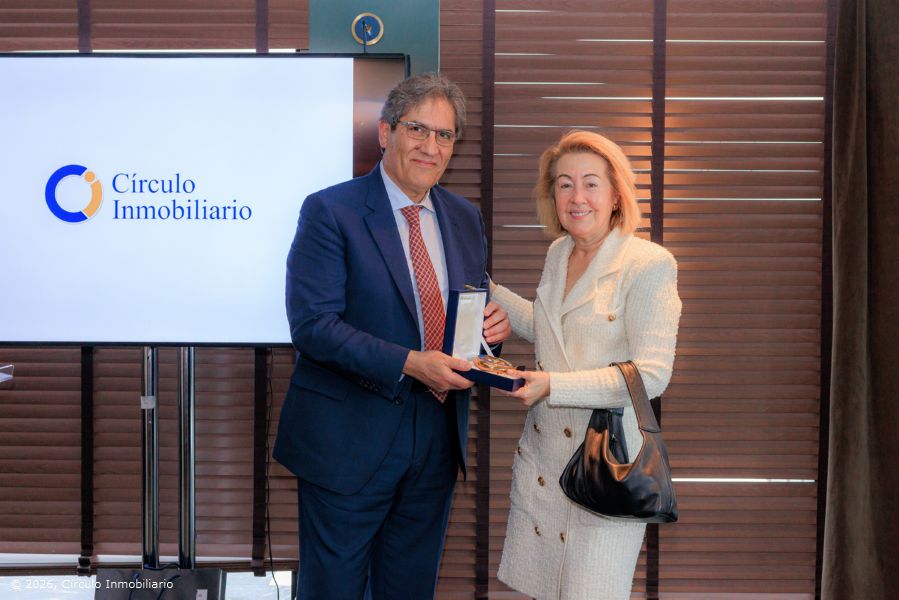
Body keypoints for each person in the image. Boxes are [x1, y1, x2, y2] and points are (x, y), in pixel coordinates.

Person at [273, 73, 511, 600]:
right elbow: (313, 325)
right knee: (333, 590)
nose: (431, 146)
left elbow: (465, 314)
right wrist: (409, 361)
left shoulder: (464, 217)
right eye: (417, 129)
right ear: (386, 133)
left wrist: (491, 333)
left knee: (409, 588)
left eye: (444, 135)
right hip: (347, 441)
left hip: (436, 440)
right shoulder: (331, 210)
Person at [491, 130, 682, 600]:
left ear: (616, 194)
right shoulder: (559, 253)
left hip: (605, 468)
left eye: (591, 183)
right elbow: (553, 330)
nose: (577, 197)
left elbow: (651, 375)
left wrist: (552, 386)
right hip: (545, 463)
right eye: (564, 184)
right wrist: (484, 289)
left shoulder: (649, 263)